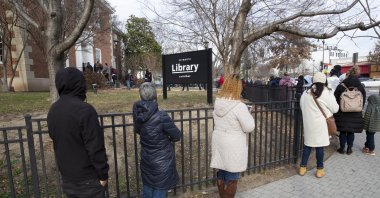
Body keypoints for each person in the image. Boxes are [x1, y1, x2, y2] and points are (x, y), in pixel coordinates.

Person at [47, 67, 109, 198]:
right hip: (88, 180)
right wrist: (103, 175)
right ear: (80, 83)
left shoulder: (53, 110)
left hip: (68, 178)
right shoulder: (85, 110)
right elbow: (95, 147)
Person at [132, 82, 182, 198]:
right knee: (159, 190)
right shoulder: (161, 116)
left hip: (146, 159)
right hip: (162, 162)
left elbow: (138, 130)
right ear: (155, 95)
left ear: (141, 95)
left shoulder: (138, 114)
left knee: (148, 188)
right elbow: (177, 136)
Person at [210, 75, 255, 197]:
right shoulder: (239, 106)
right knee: (232, 175)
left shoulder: (218, 102)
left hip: (219, 140)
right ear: (237, 87)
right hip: (233, 144)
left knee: (222, 171)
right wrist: (249, 114)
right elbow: (249, 127)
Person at [298, 72, 339, 178]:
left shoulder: (306, 93)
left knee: (308, 145)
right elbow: (335, 109)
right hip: (321, 125)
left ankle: (302, 168)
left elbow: (302, 107)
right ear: (325, 81)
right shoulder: (327, 92)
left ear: (313, 81)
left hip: (308, 124)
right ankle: (319, 170)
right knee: (320, 147)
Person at [334, 65, 366, 155]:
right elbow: (363, 99)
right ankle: (349, 149)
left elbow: (335, 98)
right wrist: (359, 108)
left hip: (342, 112)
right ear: (357, 73)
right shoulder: (360, 85)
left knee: (343, 131)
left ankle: (342, 148)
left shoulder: (342, 85)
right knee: (351, 132)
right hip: (355, 112)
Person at [362, 87, 380, 156]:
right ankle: (366, 146)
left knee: (370, 135)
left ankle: (371, 149)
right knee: (370, 134)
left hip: (370, 123)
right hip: (376, 123)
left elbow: (366, 117)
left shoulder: (371, 106)